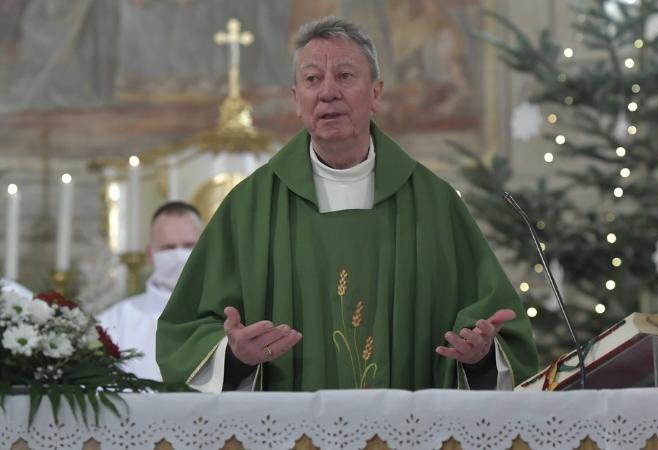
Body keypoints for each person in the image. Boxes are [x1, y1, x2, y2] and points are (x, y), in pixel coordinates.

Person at [157, 17, 537, 392]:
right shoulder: (250, 207)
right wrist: (236, 355)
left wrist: (482, 357)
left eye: (344, 76)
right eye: (311, 79)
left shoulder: (433, 202)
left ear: (375, 93)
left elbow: (495, 327)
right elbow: (186, 333)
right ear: (296, 100)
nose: (327, 93)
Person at [98, 201, 203, 381]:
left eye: (189, 246)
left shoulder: (231, 314)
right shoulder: (111, 324)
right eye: (168, 248)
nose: (179, 256)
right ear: (150, 253)